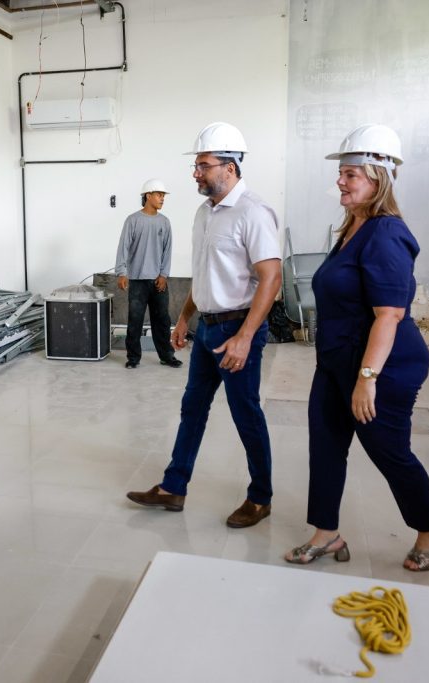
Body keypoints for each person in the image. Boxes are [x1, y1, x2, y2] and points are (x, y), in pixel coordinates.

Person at [284, 124, 429, 572]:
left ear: (379, 178)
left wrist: (367, 378)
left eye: (351, 174)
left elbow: (389, 315)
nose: (340, 181)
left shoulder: (386, 234)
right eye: (341, 173)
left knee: (387, 450)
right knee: (325, 444)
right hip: (336, 361)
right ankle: (326, 533)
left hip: (383, 366)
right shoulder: (352, 228)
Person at [126, 122, 282, 529]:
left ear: (230, 167)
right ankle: (173, 487)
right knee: (192, 408)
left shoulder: (254, 212)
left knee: (245, 413)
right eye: (195, 166)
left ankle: (260, 498)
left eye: (203, 165)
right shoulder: (203, 213)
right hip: (207, 328)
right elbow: (204, 274)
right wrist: (183, 318)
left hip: (237, 330)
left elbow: (272, 278)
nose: (195, 173)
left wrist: (245, 337)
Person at [115, 179, 181, 369]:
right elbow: (123, 247)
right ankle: (133, 358)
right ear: (148, 196)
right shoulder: (133, 220)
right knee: (134, 321)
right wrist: (121, 272)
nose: (162, 198)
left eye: (163, 195)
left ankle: (167, 356)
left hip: (158, 281)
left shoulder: (164, 222)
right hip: (137, 280)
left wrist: (164, 275)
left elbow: (167, 251)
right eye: (159, 194)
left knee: (162, 321)